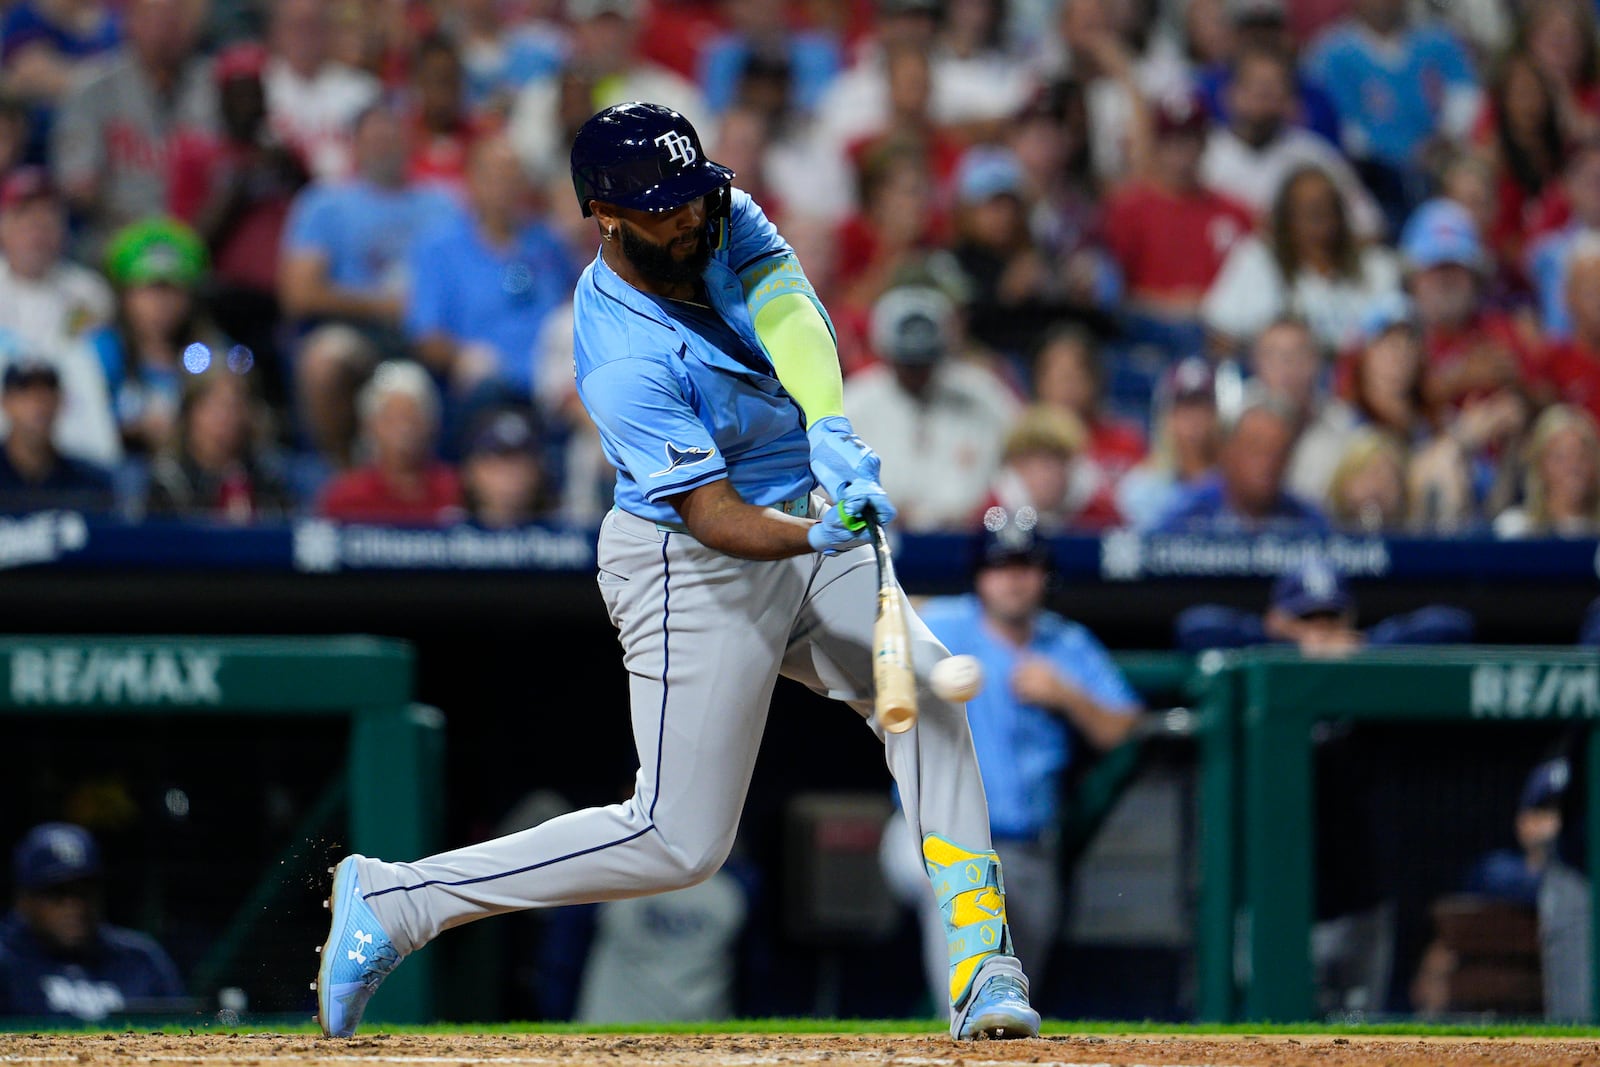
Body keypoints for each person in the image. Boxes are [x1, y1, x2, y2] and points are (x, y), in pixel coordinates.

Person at [312, 101, 1041, 1043]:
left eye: (692, 199)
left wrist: (827, 426)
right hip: (692, 561)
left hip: (803, 510)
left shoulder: (717, 211)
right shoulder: (615, 350)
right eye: (662, 210)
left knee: (928, 697)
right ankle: (398, 899)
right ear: (604, 216)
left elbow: (786, 300)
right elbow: (714, 516)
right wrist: (815, 537)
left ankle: (982, 964)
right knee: (678, 839)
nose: (690, 219)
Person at [882, 519, 1140, 1011]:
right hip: (932, 834)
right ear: (979, 576)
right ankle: (958, 1025)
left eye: (1025, 566)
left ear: (1045, 576)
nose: (1013, 579)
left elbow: (1122, 727)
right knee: (955, 898)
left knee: (1014, 993)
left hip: (1028, 850)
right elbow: (878, 612)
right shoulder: (947, 623)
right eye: (999, 566)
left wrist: (1067, 696)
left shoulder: (1067, 644)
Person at [279, 105, 457, 466]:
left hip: (430, 333)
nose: (385, 147)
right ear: (355, 145)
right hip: (356, 332)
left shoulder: (442, 204)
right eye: (375, 139)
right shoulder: (324, 204)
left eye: (393, 138)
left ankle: (450, 488)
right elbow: (299, 295)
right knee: (322, 360)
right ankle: (339, 474)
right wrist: (383, 306)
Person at [404, 134, 577, 405]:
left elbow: (574, 296)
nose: (505, 188)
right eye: (495, 178)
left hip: (554, 378)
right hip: (487, 384)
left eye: (513, 178)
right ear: (471, 183)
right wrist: (462, 356)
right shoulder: (440, 248)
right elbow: (426, 335)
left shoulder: (546, 242)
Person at [842, 285, 1020, 531]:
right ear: (886, 352)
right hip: (878, 539)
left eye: (925, 362)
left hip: (970, 538)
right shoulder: (854, 402)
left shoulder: (983, 394)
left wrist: (989, 509)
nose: (917, 373)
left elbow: (1025, 461)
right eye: (907, 363)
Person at [48, 0, 216, 251]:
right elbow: (77, 184)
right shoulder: (92, 87)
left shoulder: (216, 84)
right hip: (113, 241)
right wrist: (147, 234)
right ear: (130, 24)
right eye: (155, 18)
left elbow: (230, 174)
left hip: (201, 239)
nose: (166, 30)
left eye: (176, 19)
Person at [1102, 91, 1253, 353]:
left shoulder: (1236, 213)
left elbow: (1252, 290)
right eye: (1172, 141)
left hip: (1222, 335)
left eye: (1190, 140)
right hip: (1149, 334)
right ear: (1156, 146)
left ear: (1205, 143)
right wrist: (1173, 308)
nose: (1182, 152)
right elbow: (1114, 294)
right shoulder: (1126, 210)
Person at [1201, 165, 1401, 354]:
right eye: (1308, 210)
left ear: (1341, 213)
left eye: (1326, 207)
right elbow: (1220, 336)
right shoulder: (1257, 260)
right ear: (1285, 218)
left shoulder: (1376, 266)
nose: (1319, 217)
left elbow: (1398, 337)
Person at [0, 823, 183, 1020]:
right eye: (58, 893)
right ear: (24, 900)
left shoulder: (140, 960)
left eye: (85, 891)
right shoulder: (6, 962)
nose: (75, 906)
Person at [1199, 47, 1384, 241]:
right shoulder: (1204, 154)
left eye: (1274, 86)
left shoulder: (1314, 154)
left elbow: (1369, 226)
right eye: (1255, 84)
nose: (1264, 94)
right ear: (1229, 93)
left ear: (1291, 98)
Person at [1175, 556, 1475, 655]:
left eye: (1330, 616)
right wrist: (1289, 640)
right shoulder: (1270, 645)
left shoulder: (1359, 647)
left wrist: (1366, 646)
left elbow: (1452, 625)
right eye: (1306, 617)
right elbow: (1194, 627)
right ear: (1279, 619)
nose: (1320, 628)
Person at [1154, 388, 1330, 533]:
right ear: (1228, 453)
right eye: (1256, 449)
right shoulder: (1189, 519)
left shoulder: (1307, 522)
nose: (1268, 462)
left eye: (1278, 452)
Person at [317, 360, 463, 525]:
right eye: (391, 419)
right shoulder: (345, 497)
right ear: (369, 427)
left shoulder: (455, 491)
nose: (404, 429)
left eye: (412, 418)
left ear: (431, 424)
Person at [145, 365, 292, 522]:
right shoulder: (169, 480)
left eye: (233, 406)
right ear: (189, 414)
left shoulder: (267, 476)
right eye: (213, 406)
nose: (225, 418)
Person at [263, 0, 381, 181]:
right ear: (277, 32)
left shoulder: (363, 90)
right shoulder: (259, 87)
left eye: (313, 26)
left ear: (330, 31)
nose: (304, 37)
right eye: (296, 26)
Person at [1248, 317, 1360, 507]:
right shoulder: (1233, 423)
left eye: (1297, 354)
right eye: (1273, 354)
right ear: (1256, 363)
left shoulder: (1344, 425)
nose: (1286, 365)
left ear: (1316, 362)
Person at [1117, 357, 1221, 530]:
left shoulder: (1233, 483)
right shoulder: (1140, 487)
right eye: (1184, 408)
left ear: (1215, 416)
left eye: (1201, 407)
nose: (1193, 419)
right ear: (1167, 416)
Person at [0, 359, 112, 513]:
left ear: (60, 401)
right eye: (26, 393)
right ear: (5, 402)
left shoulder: (90, 483)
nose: (38, 403)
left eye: (46, 393)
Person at [1494, 405, 1600, 538]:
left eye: (1582, 456)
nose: (1573, 467)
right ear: (1540, 465)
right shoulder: (1515, 528)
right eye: (1561, 457)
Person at [461, 409, 552, 528]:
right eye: (495, 463)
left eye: (518, 463)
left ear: (537, 471)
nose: (508, 475)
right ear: (472, 471)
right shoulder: (443, 531)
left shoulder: (567, 534)